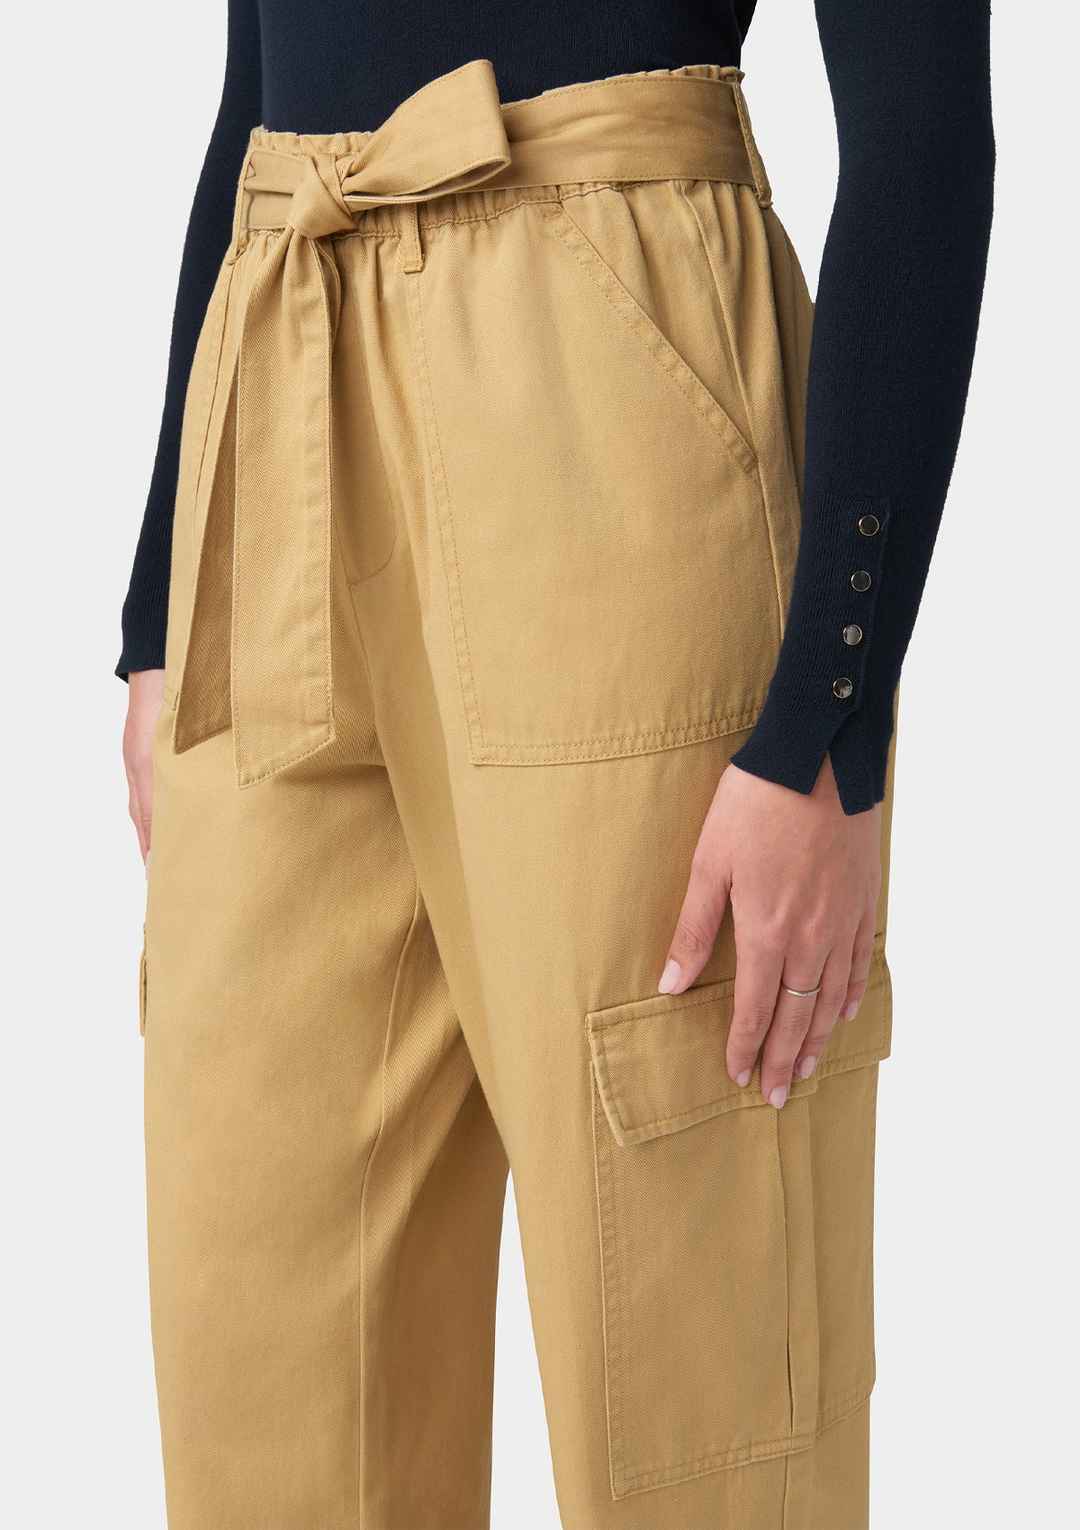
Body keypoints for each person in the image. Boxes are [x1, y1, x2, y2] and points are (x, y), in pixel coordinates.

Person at [119, 4, 994, 1527]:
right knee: (265, 1356)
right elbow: (255, 83)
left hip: (612, 377)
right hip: (283, 375)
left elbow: (921, 132)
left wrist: (827, 722)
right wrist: (161, 612)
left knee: (692, 1390)